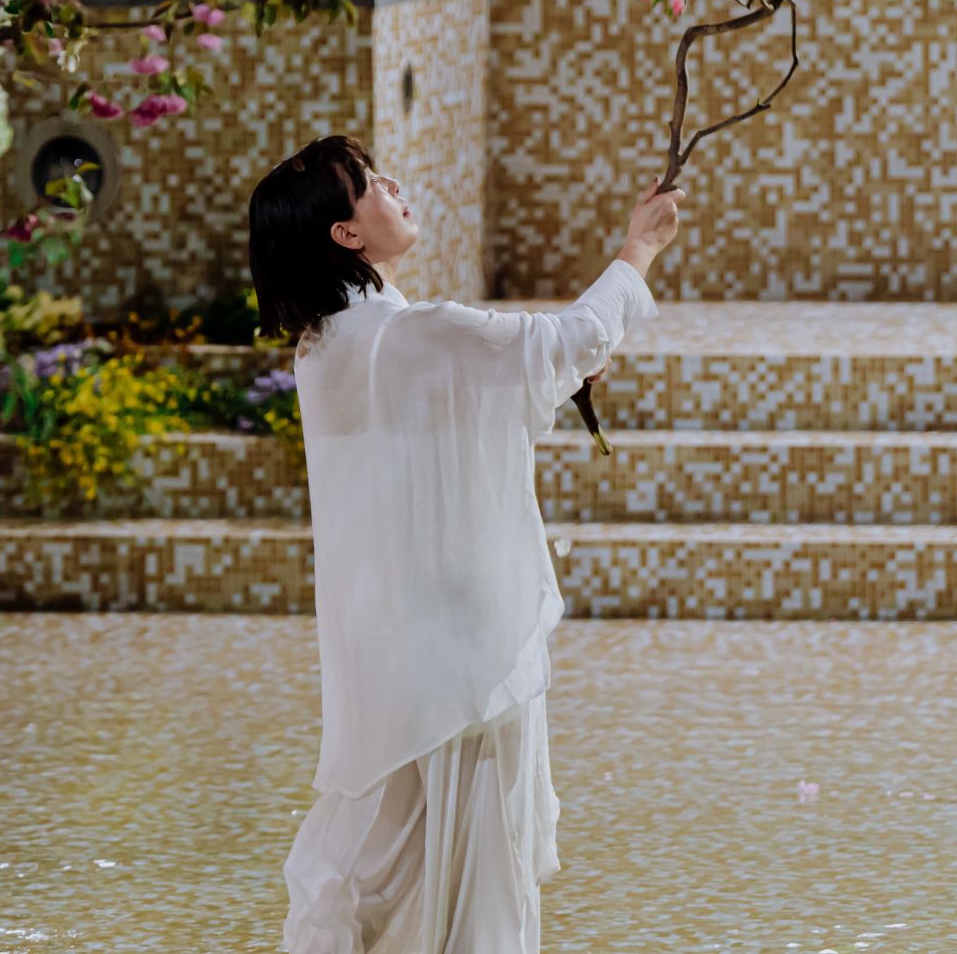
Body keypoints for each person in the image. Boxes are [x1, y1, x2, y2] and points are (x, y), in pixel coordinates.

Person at [247, 134, 684, 954]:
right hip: (463, 656)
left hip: (386, 654)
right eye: (370, 183)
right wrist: (640, 248)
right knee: (475, 875)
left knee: (372, 866)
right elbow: (570, 341)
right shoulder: (414, 334)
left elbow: (459, 396)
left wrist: (531, 376)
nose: (393, 183)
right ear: (346, 232)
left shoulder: (325, 346)